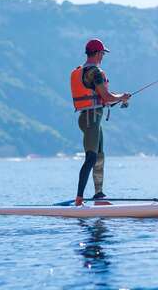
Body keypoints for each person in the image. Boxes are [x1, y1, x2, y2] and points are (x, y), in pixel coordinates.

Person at [70, 38, 131, 206]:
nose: (103, 56)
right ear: (97, 53)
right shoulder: (95, 72)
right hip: (91, 119)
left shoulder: (84, 71)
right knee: (91, 157)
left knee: (99, 156)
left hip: (91, 118)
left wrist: (119, 98)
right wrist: (122, 97)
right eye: (103, 53)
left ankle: (98, 195)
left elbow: (104, 97)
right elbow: (107, 97)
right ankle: (79, 199)